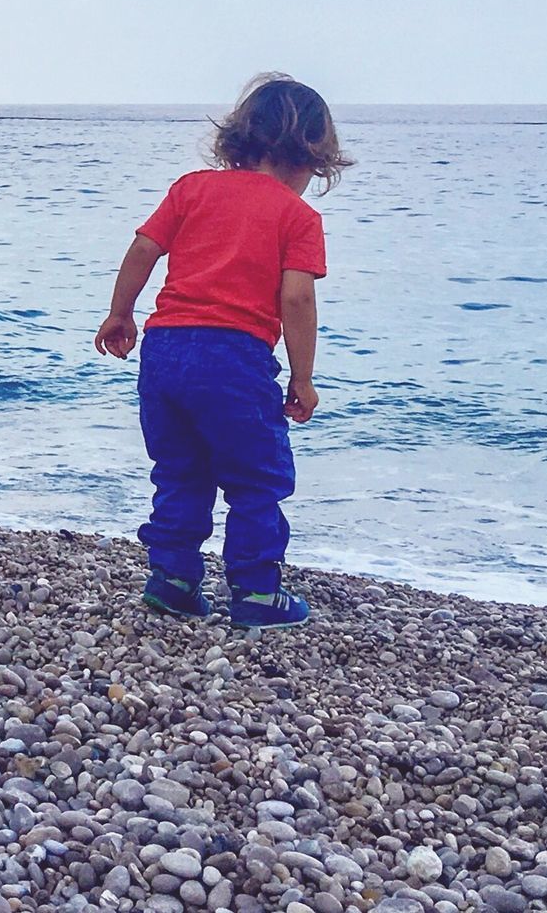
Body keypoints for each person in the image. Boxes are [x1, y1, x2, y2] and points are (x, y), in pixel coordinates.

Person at [94, 73, 353, 629]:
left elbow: (143, 248)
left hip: (164, 350)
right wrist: (302, 378)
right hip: (234, 358)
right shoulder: (298, 216)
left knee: (179, 469)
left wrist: (120, 313)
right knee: (256, 478)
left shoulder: (191, 189)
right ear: (311, 156)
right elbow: (297, 296)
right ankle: (258, 593)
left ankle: (174, 580)